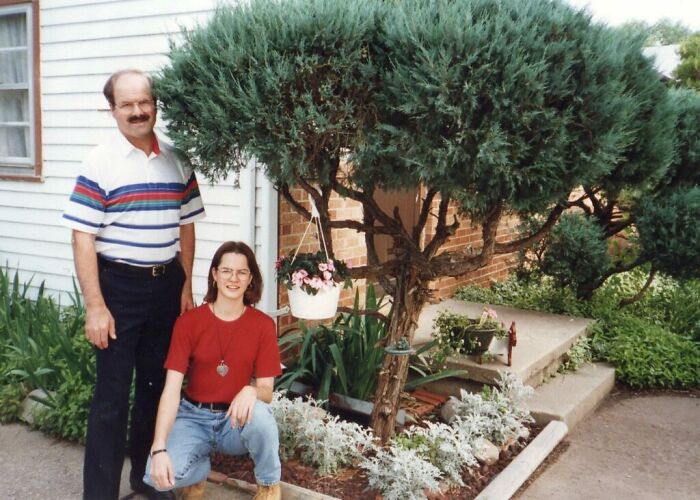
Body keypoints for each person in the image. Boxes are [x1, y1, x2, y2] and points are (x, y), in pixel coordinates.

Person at [62, 69, 205, 500]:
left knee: (154, 389)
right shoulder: (99, 161)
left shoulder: (177, 160)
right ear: (113, 110)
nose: (138, 111)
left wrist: (185, 286)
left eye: (144, 102)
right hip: (118, 289)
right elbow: (82, 235)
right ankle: (99, 493)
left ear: (154, 104)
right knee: (111, 397)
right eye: (127, 104)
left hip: (165, 288)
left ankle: (144, 478)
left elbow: (186, 227)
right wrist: (95, 306)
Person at [144, 241, 282, 500]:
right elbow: (171, 391)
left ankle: (269, 486)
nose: (234, 278)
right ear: (214, 274)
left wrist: (251, 391)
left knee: (262, 416)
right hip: (193, 417)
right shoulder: (188, 323)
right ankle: (200, 472)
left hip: (234, 420)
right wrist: (159, 448)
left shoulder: (262, 326)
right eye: (227, 271)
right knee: (157, 477)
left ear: (250, 278)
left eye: (242, 272)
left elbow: (267, 391)